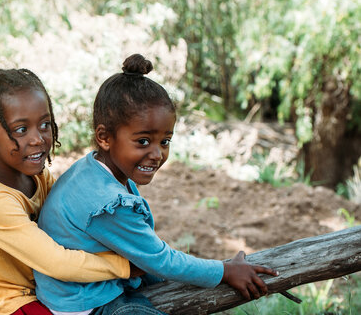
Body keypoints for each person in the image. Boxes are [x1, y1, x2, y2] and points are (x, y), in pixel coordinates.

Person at [34, 54, 278, 315]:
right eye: (143, 141)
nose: (157, 154)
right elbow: (161, 260)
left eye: (165, 141)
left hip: (92, 283)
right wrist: (225, 271)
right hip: (85, 302)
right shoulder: (107, 204)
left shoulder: (93, 168)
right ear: (104, 137)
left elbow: (150, 253)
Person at [0, 68, 133, 315]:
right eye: (20, 130)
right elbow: (57, 262)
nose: (38, 138)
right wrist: (125, 265)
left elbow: (71, 217)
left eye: (45, 124)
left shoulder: (34, 174)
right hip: (15, 304)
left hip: (47, 286)